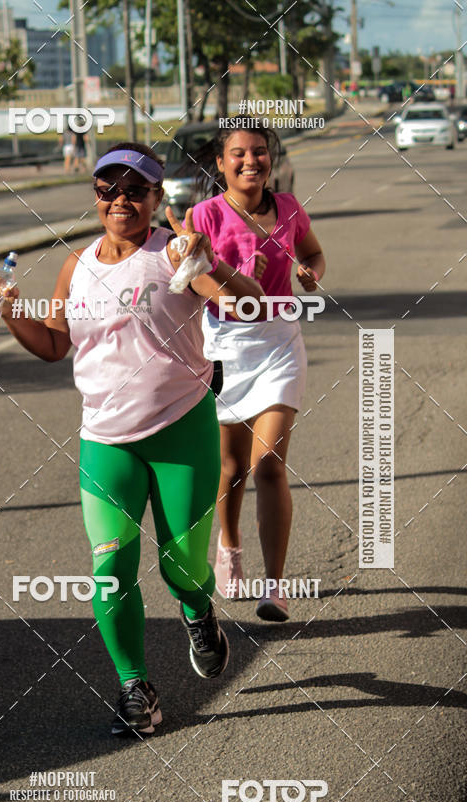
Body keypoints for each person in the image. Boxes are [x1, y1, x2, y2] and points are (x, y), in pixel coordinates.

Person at [0, 142, 266, 737]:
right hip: (105, 441)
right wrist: (8, 308)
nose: (120, 200)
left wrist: (213, 265)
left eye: (135, 190)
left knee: (181, 566)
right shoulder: (77, 267)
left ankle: (198, 608)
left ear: (157, 198)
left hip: (182, 429)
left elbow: (249, 307)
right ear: (95, 196)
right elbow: (54, 344)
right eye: (109, 190)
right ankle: (135, 687)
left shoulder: (174, 254)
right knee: (109, 570)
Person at [191, 122, 326, 622]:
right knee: (231, 467)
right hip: (225, 346)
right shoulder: (204, 215)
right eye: (239, 154)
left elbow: (311, 252)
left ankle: (275, 586)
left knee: (269, 463)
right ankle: (230, 545)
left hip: (279, 343)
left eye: (260, 152)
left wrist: (311, 273)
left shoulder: (289, 208)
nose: (252, 161)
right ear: (222, 163)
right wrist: (219, 292)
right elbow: (189, 275)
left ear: (271, 159)